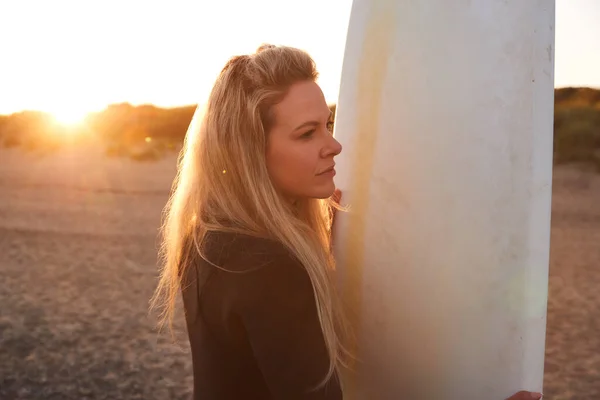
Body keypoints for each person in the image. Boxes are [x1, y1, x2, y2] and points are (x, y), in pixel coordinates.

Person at [150, 44, 544, 400]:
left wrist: (323, 258)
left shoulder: (206, 236)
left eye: (328, 123)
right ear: (248, 153)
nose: (334, 145)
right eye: (307, 134)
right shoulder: (269, 265)